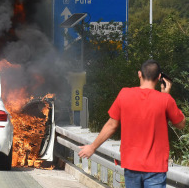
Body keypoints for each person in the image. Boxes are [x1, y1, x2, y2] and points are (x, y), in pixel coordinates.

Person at [78, 60, 186, 188]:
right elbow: (181, 124)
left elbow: (111, 125)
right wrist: (167, 95)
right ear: (159, 78)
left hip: (131, 164)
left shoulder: (124, 94)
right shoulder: (165, 100)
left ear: (139, 74)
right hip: (155, 167)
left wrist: (92, 147)